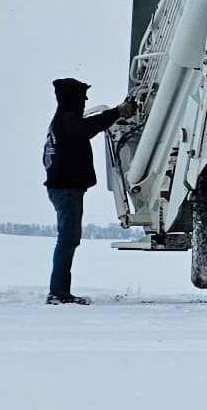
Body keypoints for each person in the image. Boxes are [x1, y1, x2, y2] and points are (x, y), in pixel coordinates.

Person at [42, 78, 135, 305]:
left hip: (64, 190)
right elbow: (87, 129)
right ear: (73, 99)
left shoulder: (61, 121)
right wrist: (117, 113)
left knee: (68, 240)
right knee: (67, 240)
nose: (85, 102)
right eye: (82, 98)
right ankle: (58, 292)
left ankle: (59, 290)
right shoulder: (68, 121)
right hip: (67, 191)